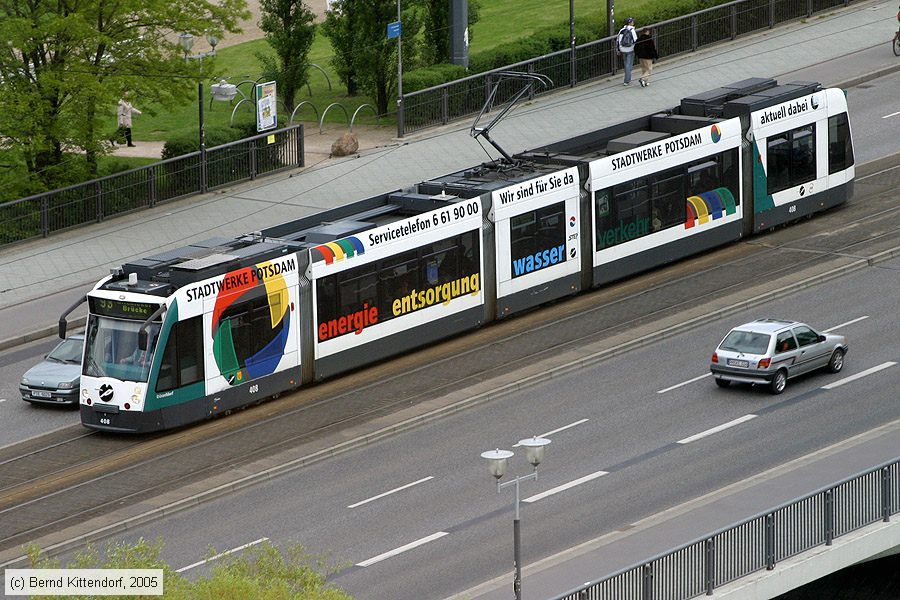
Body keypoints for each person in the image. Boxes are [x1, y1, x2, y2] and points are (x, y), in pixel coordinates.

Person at [616, 18, 638, 86]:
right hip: (630, 49)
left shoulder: (622, 30)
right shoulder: (632, 30)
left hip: (622, 49)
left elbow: (618, 40)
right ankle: (627, 80)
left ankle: (627, 78)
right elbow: (635, 40)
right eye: (632, 21)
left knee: (626, 64)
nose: (633, 22)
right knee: (629, 64)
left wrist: (618, 49)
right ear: (630, 23)